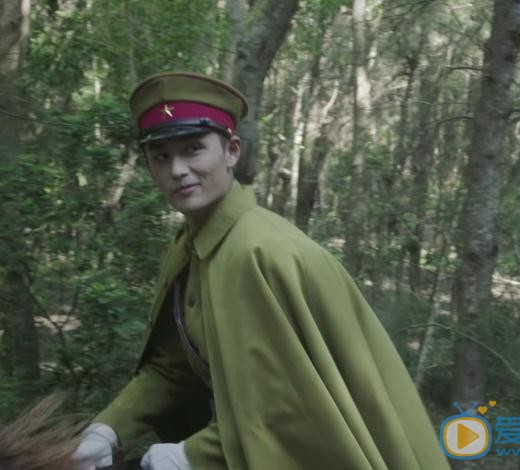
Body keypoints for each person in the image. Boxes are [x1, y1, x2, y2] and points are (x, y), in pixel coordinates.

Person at [73, 72, 450, 470]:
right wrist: (109, 430)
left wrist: (193, 456)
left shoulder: (261, 253)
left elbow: (298, 408)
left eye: (193, 149)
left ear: (231, 151)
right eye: (161, 156)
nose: (178, 169)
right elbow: (175, 368)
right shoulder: (191, 248)